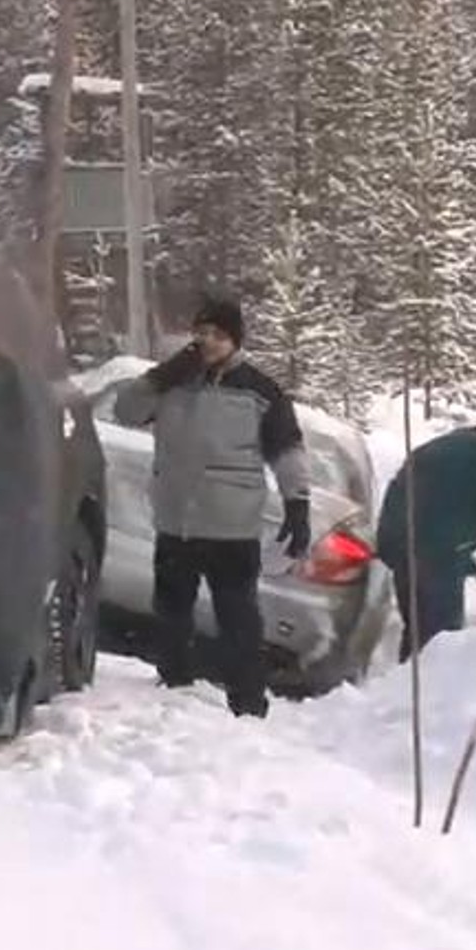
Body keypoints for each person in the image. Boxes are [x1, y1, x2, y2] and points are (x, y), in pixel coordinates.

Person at [111, 297, 312, 718]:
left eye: (218, 336)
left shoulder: (260, 391)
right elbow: (126, 411)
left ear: (234, 341)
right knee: (171, 613)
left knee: (237, 619)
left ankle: (248, 703)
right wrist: (163, 375)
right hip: (175, 520)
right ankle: (174, 689)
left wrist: (298, 502)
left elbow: (288, 450)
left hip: (231, 526)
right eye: (201, 334)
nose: (207, 343)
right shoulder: (173, 382)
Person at [375, 418, 476, 661]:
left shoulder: (446, 449)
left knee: (418, 630)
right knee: (441, 641)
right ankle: (434, 692)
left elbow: (433, 526)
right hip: (434, 554)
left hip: (397, 546)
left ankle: (401, 689)